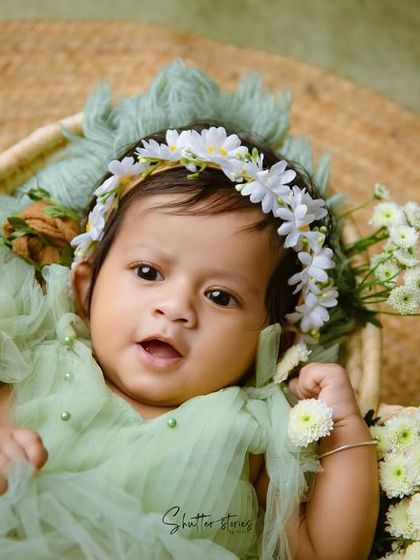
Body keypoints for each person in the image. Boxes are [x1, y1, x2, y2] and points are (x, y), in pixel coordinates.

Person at [0, 123, 379, 559]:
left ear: (273, 343)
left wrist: (344, 427)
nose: (176, 307)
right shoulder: (35, 367)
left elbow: (328, 554)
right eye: (148, 272)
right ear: (85, 289)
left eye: (220, 297)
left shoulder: (254, 428)